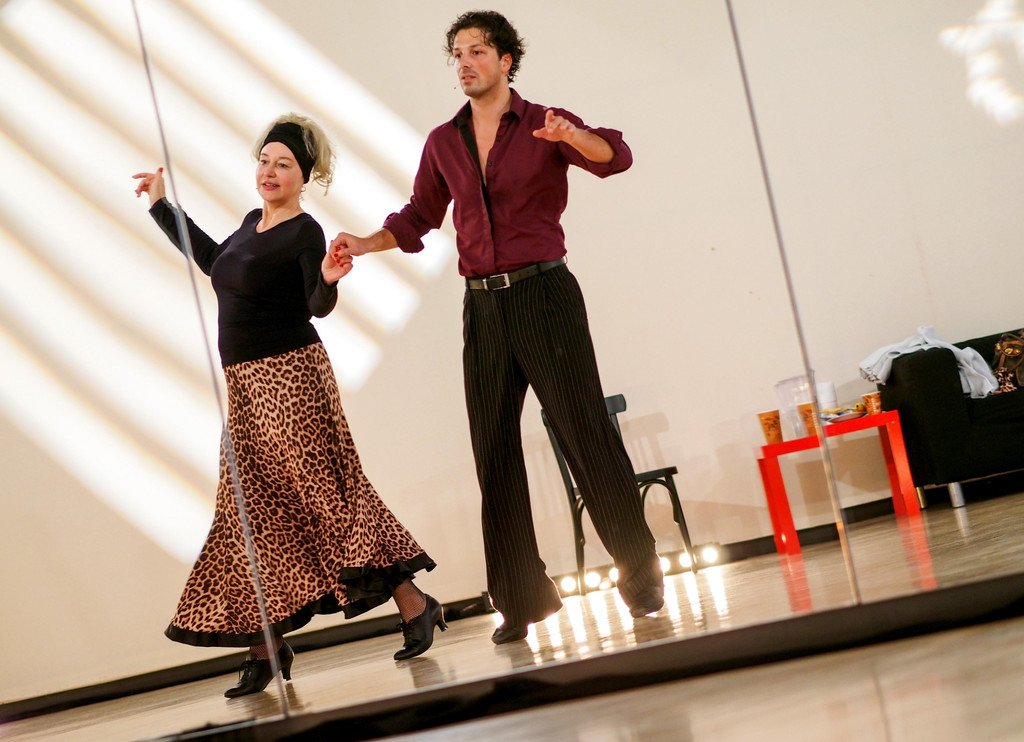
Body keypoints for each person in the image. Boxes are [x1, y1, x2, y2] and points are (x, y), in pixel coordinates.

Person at [330, 11, 664, 645]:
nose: (465, 63)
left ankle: (640, 575)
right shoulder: (444, 141)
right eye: (457, 54)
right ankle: (521, 599)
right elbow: (419, 215)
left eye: (478, 51)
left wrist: (573, 136)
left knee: (584, 431)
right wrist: (367, 244)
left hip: (545, 295)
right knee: (494, 450)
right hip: (482, 307)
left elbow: (613, 158)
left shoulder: (544, 123)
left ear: (507, 60)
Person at [132, 113, 445, 699]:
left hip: (291, 379)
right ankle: (266, 647)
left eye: (284, 164)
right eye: (264, 160)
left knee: (328, 500)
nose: (270, 171)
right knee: (250, 512)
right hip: (245, 387)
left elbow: (315, 306)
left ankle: (413, 602)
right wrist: (160, 206)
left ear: (305, 175)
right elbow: (213, 261)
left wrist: (328, 278)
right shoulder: (250, 224)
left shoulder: (304, 232)